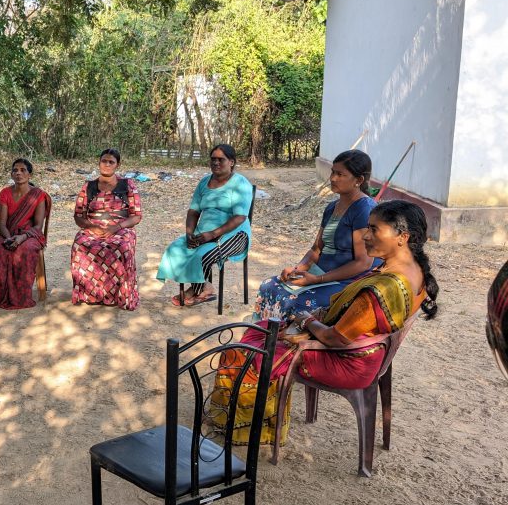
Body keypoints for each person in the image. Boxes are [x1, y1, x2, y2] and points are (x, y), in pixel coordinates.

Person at [213, 200, 439, 446]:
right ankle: (254, 420)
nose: (365, 235)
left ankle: (247, 430)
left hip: (348, 361)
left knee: (243, 352)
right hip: (369, 353)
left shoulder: (384, 287)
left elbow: (335, 338)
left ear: (402, 237)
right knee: (265, 329)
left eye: (374, 229)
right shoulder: (415, 271)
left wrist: (307, 320)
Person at [254, 150, 379, 321]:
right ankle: (263, 340)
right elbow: (316, 249)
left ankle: (281, 344)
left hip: (348, 280)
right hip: (321, 273)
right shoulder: (332, 207)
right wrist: (296, 270)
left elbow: (363, 262)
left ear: (359, 180)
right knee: (269, 287)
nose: (333, 178)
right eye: (333, 172)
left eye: (340, 174)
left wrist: (317, 279)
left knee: (296, 304)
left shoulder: (364, 209)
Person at [156, 143, 254, 306]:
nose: (216, 163)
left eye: (221, 160)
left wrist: (212, 234)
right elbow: (193, 211)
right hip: (204, 233)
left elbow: (239, 218)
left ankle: (198, 290)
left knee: (202, 255)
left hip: (235, 235)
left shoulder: (240, 184)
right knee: (175, 249)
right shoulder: (204, 183)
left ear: (231, 162)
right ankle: (203, 287)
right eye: (213, 159)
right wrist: (189, 234)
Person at [70, 148, 143, 310]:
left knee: (122, 246)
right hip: (93, 227)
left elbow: (136, 216)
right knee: (80, 244)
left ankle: (121, 295)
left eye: (111, 162)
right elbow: (78, 215)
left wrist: (117, 227)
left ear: (118, 165)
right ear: (99, 162)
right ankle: (90, 294)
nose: (107, 165)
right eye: (104, 161)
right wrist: (91, 226)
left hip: (121, 227)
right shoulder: (89, 186)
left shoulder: (127, 185)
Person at [0, 158, 50, 310]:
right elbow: (1, 224)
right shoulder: (5, 193)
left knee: (23, 250)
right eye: (15, 170)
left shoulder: (38, 195)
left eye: (23, 170)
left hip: (30, 235)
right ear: (11, 174)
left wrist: (21, 238)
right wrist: (8, 239)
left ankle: (19, 297)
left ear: (29, 175)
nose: (18, 173)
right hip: (9, 233)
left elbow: (38, 225)